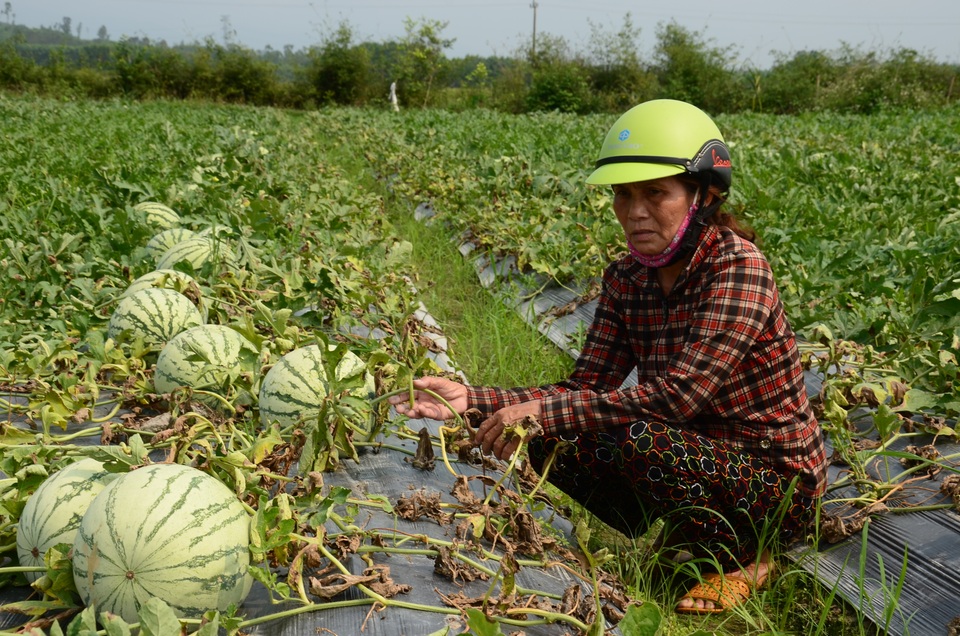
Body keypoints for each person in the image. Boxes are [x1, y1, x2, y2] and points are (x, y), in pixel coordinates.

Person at [389, 99, 828, 614]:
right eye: (623, 195)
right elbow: (585, 387)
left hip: (776, 485)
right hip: (698, 458)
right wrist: (473, 400)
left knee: (628, 431)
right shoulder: (628, 277)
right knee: (545, 432)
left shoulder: (737, 267)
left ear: (703, 195)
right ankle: (693, 530)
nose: (634, 212)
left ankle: (753, 557)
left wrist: (545, 412)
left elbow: (679, 399)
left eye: (655, 194)